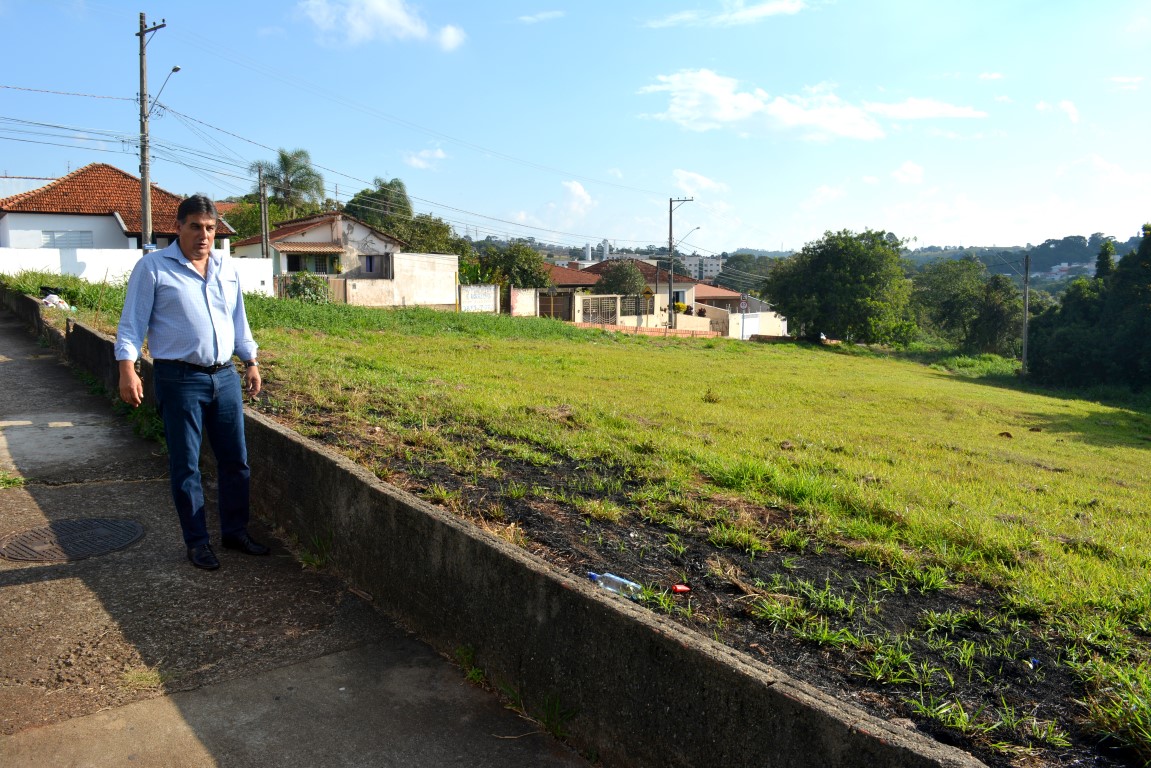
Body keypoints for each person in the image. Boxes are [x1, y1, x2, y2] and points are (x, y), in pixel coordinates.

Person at [116, 195, 268, 570]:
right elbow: (132, 324)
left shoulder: (225, 267)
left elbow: (238, 320)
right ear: (179, 227)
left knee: (236, 462)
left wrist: (250, 360)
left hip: (225, 377)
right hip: (179, 378)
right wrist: (127, 368)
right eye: (196, 226)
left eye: (211, 228)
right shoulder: (154, 268)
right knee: (186, 466)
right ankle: (197, 542)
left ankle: (234, 532)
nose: (204, 235)